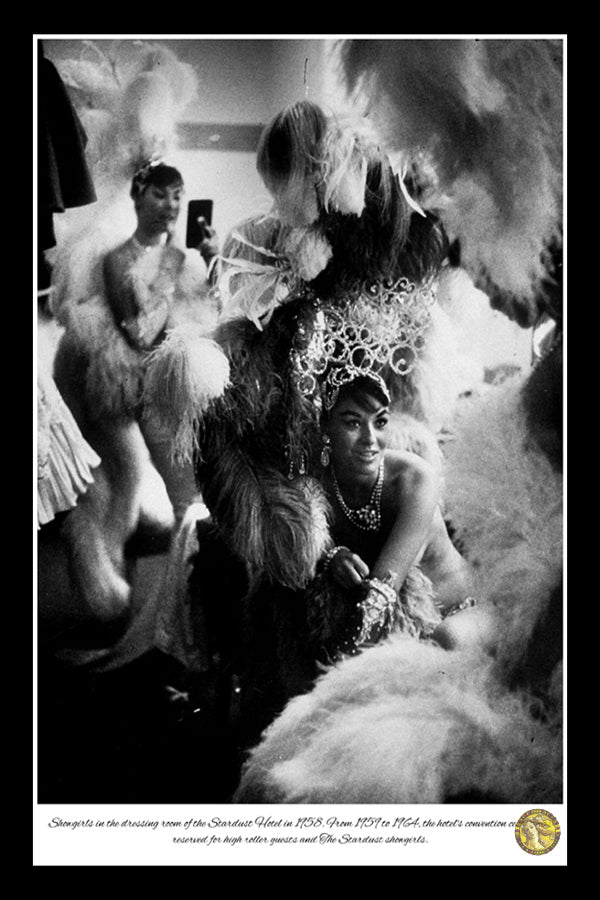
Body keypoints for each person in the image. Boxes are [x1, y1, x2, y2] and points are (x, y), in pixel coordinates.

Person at [307, 372, 492, 661]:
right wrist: (331, 555)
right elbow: (295, 544)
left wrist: (333, 684)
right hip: (395, 629)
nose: (370, 439)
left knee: (445, 641)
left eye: (380, 422)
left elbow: (379, 597)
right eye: (353, 423)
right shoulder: (317, 484)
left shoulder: (414, 478)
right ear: (325, 427)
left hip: (462, 614)